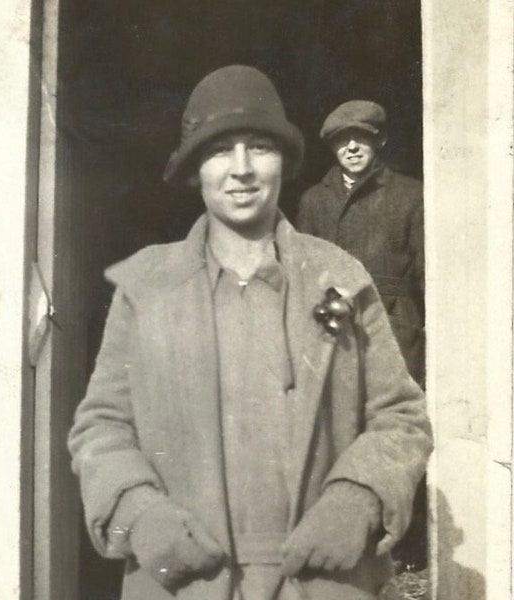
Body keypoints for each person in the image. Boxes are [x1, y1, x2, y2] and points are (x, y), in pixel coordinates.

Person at [68, 66, 432, 600]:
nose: (241, 169)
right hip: (188, 577)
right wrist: (142, 517)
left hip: (323, 578)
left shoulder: (340, 277)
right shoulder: (147, 287)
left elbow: (400, 415)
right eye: (219, 151)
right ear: (195, 169)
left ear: (284, 161)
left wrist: (356, 499)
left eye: (259, 147)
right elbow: (101, 426)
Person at [296, 101, 425, 386]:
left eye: (361, 137)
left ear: (379, 140)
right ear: (332, 148)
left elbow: (427, 276)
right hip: (333, 334)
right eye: (342, 140)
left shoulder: (411, 195)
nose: (352, 147)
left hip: (396, 335)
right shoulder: (314, 200)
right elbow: (302, 278)